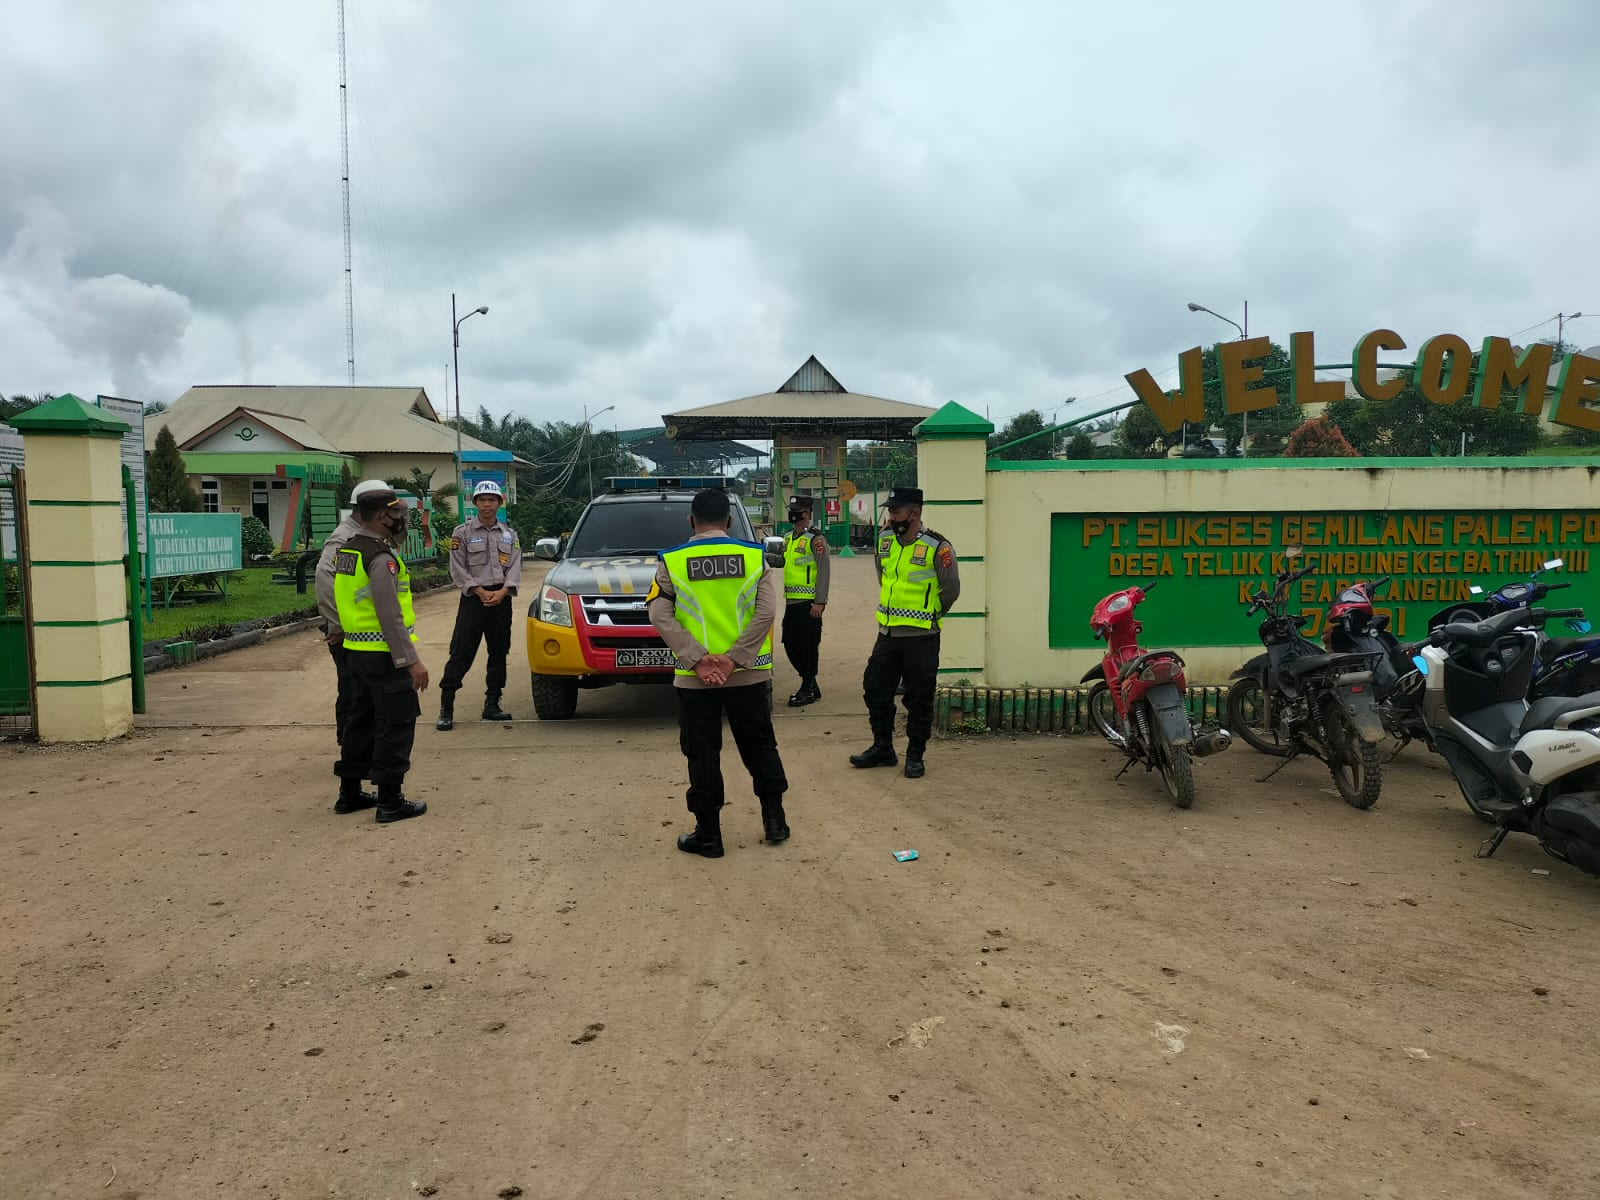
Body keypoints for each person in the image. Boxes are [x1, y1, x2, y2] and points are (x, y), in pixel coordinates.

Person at [647, 487, 789, 858]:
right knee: (760, 746)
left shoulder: (673, 561)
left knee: (702, 754)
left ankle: (709, 835)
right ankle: (775, 820)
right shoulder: (754, 557)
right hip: (749, 674)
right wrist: (734, 658)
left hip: (695, 680)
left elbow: (658, 614)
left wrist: (698, 659)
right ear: (728, 521)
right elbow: (766, 613)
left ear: (691, 521)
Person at [333, 488, 429, 823]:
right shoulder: (380, 557)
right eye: (396, 514)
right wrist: (411, 660)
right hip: (384, 655)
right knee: (395, 724)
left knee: (358, 722)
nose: (400, 520)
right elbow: (390, 615)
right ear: (381, 516)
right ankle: (390, 801)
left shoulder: (349, 550)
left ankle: (350, 793)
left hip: (354, 652)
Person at [850, 486, 960, 779]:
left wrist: (929, 612)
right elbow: (882, 576)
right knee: (874, 689)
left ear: (915, 512)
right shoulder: (885, 540)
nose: (891, 516)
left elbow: (951, 590)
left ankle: (915, 755)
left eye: (896, 511)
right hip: (887, 635)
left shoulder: (939, 547)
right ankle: (883, 748)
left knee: (919, 698)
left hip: (921, 637)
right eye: (890, 510)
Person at [314, 477, 395, 813]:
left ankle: (356, 768)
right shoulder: (346, 538)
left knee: (361, 702)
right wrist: (337, 625)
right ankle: (352, 767)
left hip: (365, 636)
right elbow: (324, 578)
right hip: (353, 637)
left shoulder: (369, 534)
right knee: (356, 701)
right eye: (388, 509)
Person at [436, 479, 522, 730]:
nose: (487, 504)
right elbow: (457, 566)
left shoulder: (509, 534)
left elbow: (515, 565)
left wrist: (504, 591)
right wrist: (478, 590)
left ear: (499, 503)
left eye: (492, 500)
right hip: (473, 600)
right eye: (482, 500)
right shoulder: (461, 533)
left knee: (498, 652)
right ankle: (446, 706)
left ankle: (492, 704)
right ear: (475, 504)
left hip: (501, 601)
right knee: (461, 652)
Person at [780, 493, 830, 707]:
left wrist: (820, 602)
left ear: (807, 514)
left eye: (798, 512)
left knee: (808, 646)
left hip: (809, 603)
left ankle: (807, 687)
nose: (794, 516)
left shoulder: (815, 539)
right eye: (792, 512)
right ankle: (810, 682)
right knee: (790, 644)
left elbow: (823, 571)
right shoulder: (789, 538)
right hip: (791, 602)